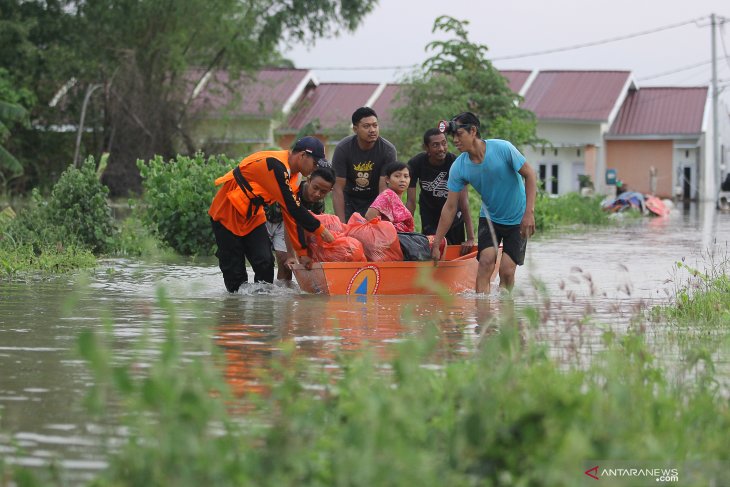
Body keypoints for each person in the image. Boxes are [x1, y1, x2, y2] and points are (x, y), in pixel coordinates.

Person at [209, 136, 335, 292]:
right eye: (315, 164)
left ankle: (263, 313)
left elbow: (290, 215)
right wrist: (321, 230)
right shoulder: (275, 165)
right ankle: (236, 312)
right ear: (303, 155)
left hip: (253, 216)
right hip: (226, 213)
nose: (315, 169)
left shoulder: (295, 177)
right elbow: (294, 208)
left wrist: (302, 252)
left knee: (266, 263)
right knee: (235, 277)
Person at [430, 112, 537, 293]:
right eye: (453, 136)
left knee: (507, 271)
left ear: (473, 131)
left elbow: (530, 175)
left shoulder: (503, 148)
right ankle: (482, 316)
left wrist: (529, 213)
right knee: (486, 262)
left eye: (459, 135)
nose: (455, 140)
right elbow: (450, 207)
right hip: (489, 218)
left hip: (517, 218)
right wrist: (436, 243)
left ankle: (505, 314)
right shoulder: (459, 166)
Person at [406, 128, 475, 251]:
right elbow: (411, 202)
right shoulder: (416, 163)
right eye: (435, 145)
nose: (441, 149)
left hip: (454, 215)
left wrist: (470, 237)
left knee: (453, 251)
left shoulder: (456, 163)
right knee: (433, 249)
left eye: (444, 143)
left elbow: (464, 202)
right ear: (426, 148)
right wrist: (406, 232)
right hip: (430, 215)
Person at [265, 165, 336, 283]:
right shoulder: (293, 190)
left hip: (287, 228)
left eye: (323, 192)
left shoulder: (318, 204)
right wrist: (292, 254)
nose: (317, 194)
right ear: (308, 180)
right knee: (265, 260)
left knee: (285, 261)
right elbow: (290, 222)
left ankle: (283, 294)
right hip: (266, 220)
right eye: (315, 188)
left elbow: (311, 232)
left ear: (330, 191)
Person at [332, 106, 398, 222]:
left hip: (374, 199)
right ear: (355, 129)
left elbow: (383, 189)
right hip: (349, 199)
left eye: (375, 125)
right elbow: (338, 188)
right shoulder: (343, 149)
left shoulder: (388, 150)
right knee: (347, 235)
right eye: (366, 126)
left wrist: (379, 220)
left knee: (372, 234)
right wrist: (341, 224)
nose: (372, 130)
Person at [364, 161, 415, 232]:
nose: (403, 180)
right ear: (387, 179)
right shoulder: (387, 195)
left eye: (406, 176)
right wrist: (387, 233)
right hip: (387, 240)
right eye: (397, 176)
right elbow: (369, 216)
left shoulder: (397, 199)